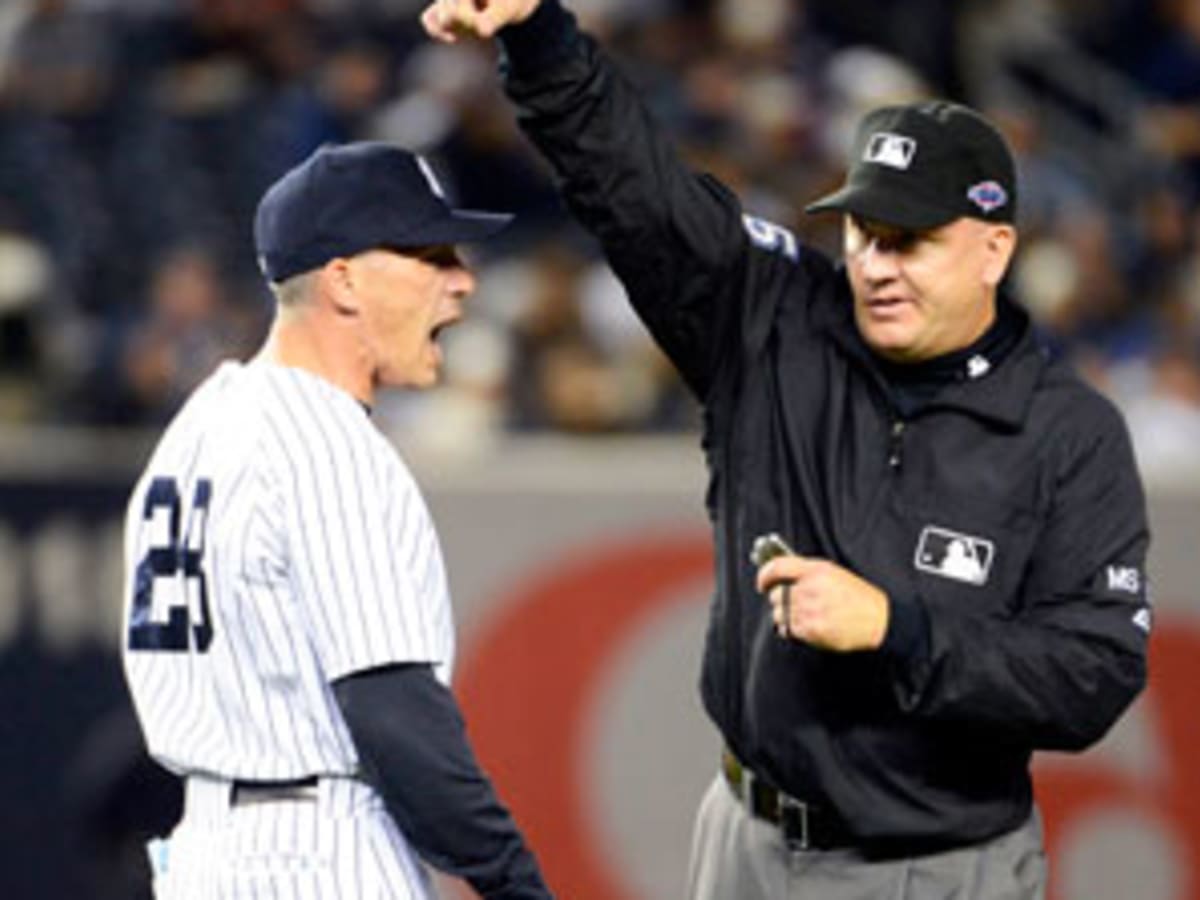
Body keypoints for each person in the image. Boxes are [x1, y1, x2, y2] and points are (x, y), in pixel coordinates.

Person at [421, 3, 1152, 898]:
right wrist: (538, 35)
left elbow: (1093, 673)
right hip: (743, 840)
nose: (877, 266)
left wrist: (897, 630)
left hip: (934, 867)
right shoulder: (776, 321)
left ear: (993, 250)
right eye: (863, 234)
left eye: (911, 241)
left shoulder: (1067, 432)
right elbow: (639, 193)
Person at [120, 142, 554, 900]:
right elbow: (398, 719)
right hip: (315, 854)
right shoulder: (329, 447)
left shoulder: (200, 424)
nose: (462, 281)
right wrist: (518, 885)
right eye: (430, 255)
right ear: (344, 280)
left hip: (203, 854)